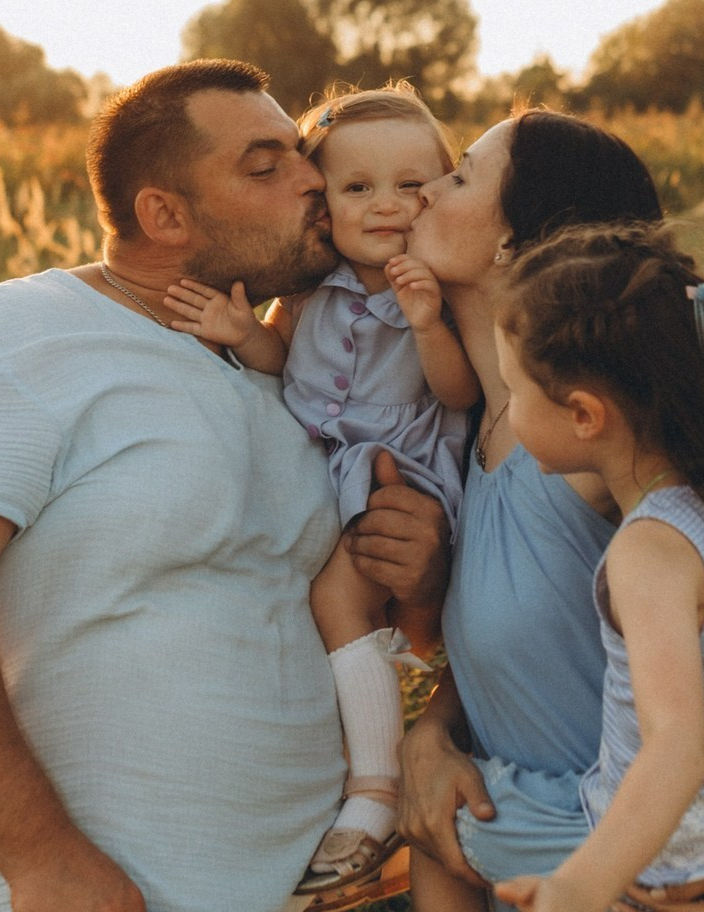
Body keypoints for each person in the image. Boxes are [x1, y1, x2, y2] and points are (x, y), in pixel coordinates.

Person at [0, 59, 450, 912]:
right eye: (267, 167)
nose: (314, 181)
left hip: (314, 889)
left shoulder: (296, 384)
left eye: (305, 157)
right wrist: (42, 859)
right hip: (89, 892)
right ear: (163, 213)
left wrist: (422, 570)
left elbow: (362, 629)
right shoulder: (19, 334)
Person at [377, 110, 704, 912]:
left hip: (658, 864)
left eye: (461, 175)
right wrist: (435, 730)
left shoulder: (609, 450)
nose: (425, 192)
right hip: (563, 846)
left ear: (516, 241)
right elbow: (533, 643)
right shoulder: (499, 424)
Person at [462, 225, 704, 912]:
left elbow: (675, 749)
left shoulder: (648, 549)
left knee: (454, 823)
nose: (510, 411)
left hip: (660, 873)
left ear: (584, 415)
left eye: (516, 391)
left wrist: (580, 886)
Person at [163, 85, 480, 895]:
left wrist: (425, 322)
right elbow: (285, 362)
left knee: (341, 599)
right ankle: (346, 743)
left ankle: (374, 789)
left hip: (402, 468)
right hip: (323, 466)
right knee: (318, 601)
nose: (386, 206)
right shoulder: (308, 286)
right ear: (322, 202)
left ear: (441, 188)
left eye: (412, 185)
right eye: (357, 187)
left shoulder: (435, 285)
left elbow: (454, 395)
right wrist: (243, 336)